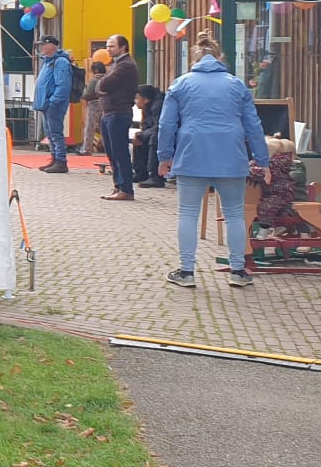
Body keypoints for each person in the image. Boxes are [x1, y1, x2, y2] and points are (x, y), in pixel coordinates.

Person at [158, 38, 269, 289]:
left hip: (191, 153)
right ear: (221, 59)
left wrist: (165, 156)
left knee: (188, 213)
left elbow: (166, 124)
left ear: (194, 59)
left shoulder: (181, 84)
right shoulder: (237, 85)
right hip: (231, 154)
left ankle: (187, 271)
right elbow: (254, 126)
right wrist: (263, 160)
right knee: (234, 214)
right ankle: (238, 270)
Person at [97, 35, 141, 201]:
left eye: (112, 46)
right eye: (107, 46)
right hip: (109, 111)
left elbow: (103, 84)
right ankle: (118, 186)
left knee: (119, 151)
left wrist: (102, 85)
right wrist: (102, 86)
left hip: (118, 112)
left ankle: (126, 188)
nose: (108, 49)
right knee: (111, 152)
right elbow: (100, 86)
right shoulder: (116, 64)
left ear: (123, 47)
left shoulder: (126, 65)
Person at [30, 36, 73, 173]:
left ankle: (60, 160)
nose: (41, 47)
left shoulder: (60, 62)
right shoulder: (48, 62)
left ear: (52, 46)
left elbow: (63, 85)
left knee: (55, 133)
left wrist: (53, 101)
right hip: (46, 104)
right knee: (50, 133)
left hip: (53, 104)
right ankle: (55, 158)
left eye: (44, 45)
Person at [131, 86, 166, 189]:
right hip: (154, 131)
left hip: (165, 134)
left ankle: (155, 176)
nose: (135, 101)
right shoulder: (147, 107)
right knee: (139, 139)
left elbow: (159, 127)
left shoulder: (158, 106)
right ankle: (141, 173)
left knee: (154, 138)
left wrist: (141, 135)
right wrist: (140, 135)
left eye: (137, 98)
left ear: (145, 99)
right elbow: (146, 125)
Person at [78, 60, 106, 156]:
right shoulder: (108, 79)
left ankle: (87, 149)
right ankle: (108, 148)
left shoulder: (94, 80)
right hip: (106, 105)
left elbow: (88, 94)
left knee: (90, 127)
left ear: (95, 70)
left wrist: (84, 94)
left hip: (94, 105)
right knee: (104, 128)